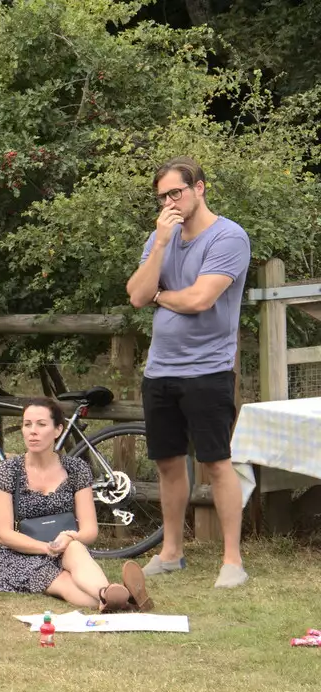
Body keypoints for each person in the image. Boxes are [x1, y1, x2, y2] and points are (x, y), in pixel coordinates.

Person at [125, 156, 252, 588]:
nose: (169, 202)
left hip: (209, 369)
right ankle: (171, 552)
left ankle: (232, 561)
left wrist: (161, 293)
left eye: (175, 192)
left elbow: (200, 299)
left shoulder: (229, 237)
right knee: (167, 464)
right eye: (162, 196)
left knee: (217, 464)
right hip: (161, 369)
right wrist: (160, 245)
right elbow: (137, 295)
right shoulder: (160, 236)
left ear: (199, 188)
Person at [0, 399, 153, 612]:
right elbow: (3, 534)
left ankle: (109, 595)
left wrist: (70, 538)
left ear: (57, 430)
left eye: (41, 424)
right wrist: (47, 548)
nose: (32, 431)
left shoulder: (76, 469)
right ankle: (121, 599)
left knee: (74, 547)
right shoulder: (7, 470)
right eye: (27, 424)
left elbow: (90, 531)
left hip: (68, 549)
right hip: (22, 555)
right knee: (63, 582)